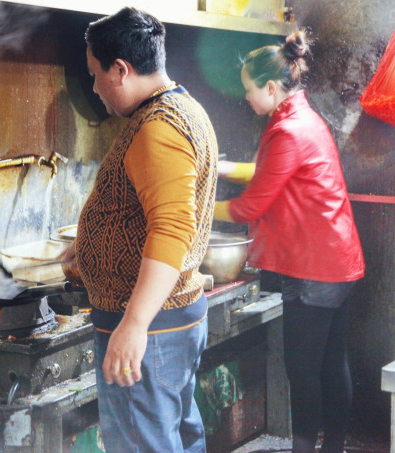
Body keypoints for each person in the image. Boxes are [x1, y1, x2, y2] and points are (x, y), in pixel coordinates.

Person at [61, 7, 218, 452]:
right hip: (168, 319)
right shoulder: (181, 107)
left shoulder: (158, 128)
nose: (94, 87)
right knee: (174, 438)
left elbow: (171, 230)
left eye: (95, 74)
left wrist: (133, 324)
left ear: (121, 69)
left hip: (151, 326)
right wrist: (90, 245)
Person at [215, 30, 365, 453]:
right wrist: (221, 168)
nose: (246, 97)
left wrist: (195, 210)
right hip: (337, 260)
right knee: (332, 364)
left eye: (248, 89)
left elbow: (251, 206)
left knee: (302, 372)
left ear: (269, 87)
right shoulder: (302, 117)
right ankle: (332, 448)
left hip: (316, 269)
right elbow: (270, 172)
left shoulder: (287, 131)